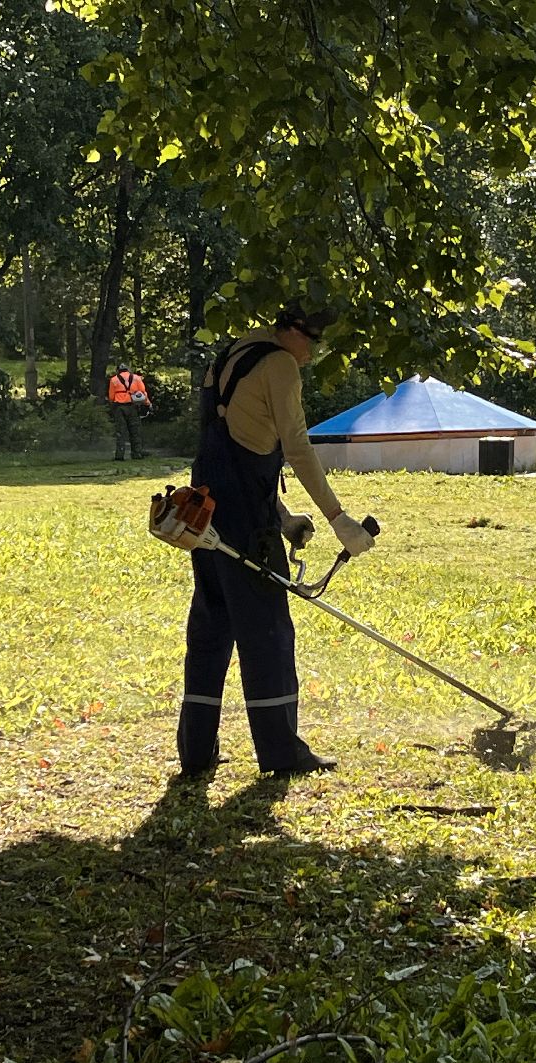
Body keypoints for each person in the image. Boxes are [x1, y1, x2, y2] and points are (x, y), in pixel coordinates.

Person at [177, 304, 376, 779]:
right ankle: (282, 753)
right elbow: (296, 446)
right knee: (267, 633)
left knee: (211, 628)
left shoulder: (233, 352)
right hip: (245, 521)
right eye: (311, 342)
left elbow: (236, 446)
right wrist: (338, 518)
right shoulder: (280, 364)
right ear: (289, 331)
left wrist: (284, 517)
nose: (312, 355)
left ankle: (196, 751)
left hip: (204, 510)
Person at [107, 362, 151, 460]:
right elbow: (143, 393)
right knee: (135, 431)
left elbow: (111, 396)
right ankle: (136, 453)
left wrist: (112, 405)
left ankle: (119, 455)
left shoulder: (113, 380)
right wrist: (148, 404)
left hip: (119, 407)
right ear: (128, 369)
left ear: (118, 370)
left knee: (120, 432)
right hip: (133, 406)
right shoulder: (136, 378)